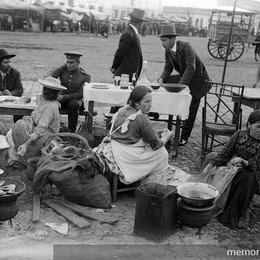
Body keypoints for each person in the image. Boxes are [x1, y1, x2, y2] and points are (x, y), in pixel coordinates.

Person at [95, 85, 174, 185]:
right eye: (146, 102)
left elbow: (131, 132)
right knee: (162, 153)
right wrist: (168, 136)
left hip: (114, 149)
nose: (150, 105)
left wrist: (155, 133)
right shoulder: (141, 118)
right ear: (136, 103)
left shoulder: (122, 110)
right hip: (125, 158)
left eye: (151, 101)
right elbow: (156, 145)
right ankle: (151, 185)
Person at [201, 109, 260, 229]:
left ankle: (235, 213)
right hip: (235, 170)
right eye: (258, 127)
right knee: (212, 156)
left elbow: (256, 165)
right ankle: (202, 195)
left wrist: (244, 162)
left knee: (246, 176)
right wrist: (210, 165)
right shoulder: (239, 135)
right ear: (249, 124)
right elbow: (225, 154)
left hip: (255, 177)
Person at [158, 24, 210, 146]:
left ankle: (184, 137)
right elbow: (168, 68)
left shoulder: (186, 46)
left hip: (198, 81)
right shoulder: (168, 50)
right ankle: (170, 118)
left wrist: (180, 87)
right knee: (167, 84)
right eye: (161, 40)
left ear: (173, 39)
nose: (162, 43)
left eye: (164, 40)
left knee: (191, 108)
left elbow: (191, 67)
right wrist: (161, 78)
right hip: (186, 79)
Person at [6, 77, 66, 167]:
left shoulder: (51, 106)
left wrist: (26, 144)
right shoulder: (46, 101)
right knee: (15, 130)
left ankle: (21, 160)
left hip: (46, 135)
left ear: (45, 91)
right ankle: (15, 157)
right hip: (39, 129)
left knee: (16, 133)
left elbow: (41, 129)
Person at [49, 51, 91, 133]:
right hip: (61, 100)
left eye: (71, 63)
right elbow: (50, 75)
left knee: (73, 104)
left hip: (76, 101)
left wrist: (64, 97)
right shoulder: (63, 69)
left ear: (78, 63)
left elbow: (81, 94)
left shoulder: (85, 76)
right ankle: (51, 130)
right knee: (50, 103)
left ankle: (71, 131)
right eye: (67, 62)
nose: (68, 65)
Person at [110, 8, 147, 82]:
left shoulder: (132, 33)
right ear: (140, 23)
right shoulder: (128, 34)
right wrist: (114, 67)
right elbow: (120, 52)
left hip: (130, 74)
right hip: (125, 75)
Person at [0, 49, 24, 122]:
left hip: (11, 101)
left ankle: (16, 129)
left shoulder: (15, 73)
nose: (9, 64)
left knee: (20, 111)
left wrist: (11, 94)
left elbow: (19, 90)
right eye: (5, 62)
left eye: (9, 62)